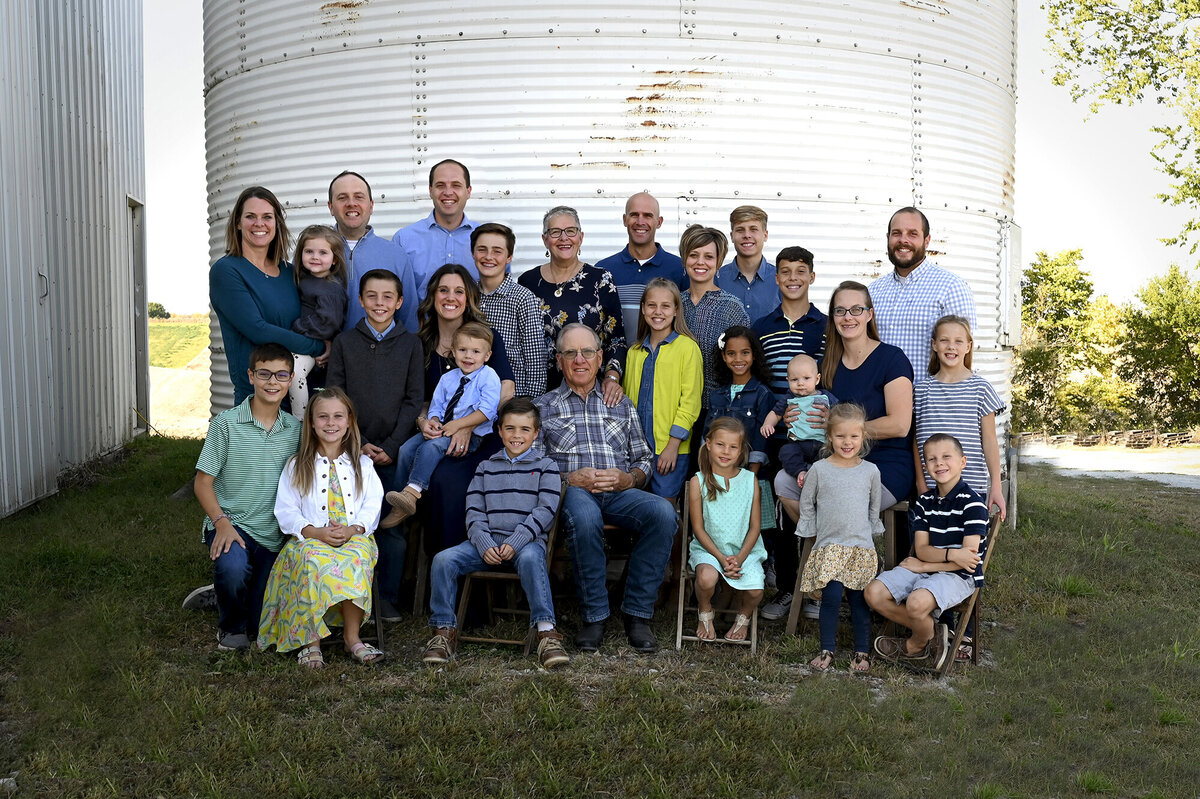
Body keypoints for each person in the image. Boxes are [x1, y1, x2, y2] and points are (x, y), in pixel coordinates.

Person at [535, 324, 677, 653]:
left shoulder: (621, 403)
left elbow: (644, 458)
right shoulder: (543, 407)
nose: (579, 360)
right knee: (584, 519)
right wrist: (570, 479)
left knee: (663, 513)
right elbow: (536, 467)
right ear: (559, 360)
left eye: (587, 352)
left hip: (619, 490)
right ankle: (594, 617)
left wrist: (629, 479)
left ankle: (637, 615)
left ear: (600, 359)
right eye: (571, 353)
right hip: (573, 491)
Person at [421, 398, 569, 670]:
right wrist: (484, 542)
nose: (517, 435)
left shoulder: (546, 467)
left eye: (525, 429)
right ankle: (443, 631)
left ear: (536, 433)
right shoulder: (486, 468)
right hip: (485, 544)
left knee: (529, 559)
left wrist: (516, 542)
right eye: (510, 428)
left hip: (526, 544)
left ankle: (547, 634)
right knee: (443, 559)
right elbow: (474, 511)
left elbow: (545, 511)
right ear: (499, 431)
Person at [259, 387, 385, 668]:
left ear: (349, 422)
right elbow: (286, 510)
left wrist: (353, 529)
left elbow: (372, 505)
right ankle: (310, 641)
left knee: (358, 556)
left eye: (338, 416)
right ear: (312, 423)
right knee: (310, 559)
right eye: (323, 417)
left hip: (353, 536)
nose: (331, 423)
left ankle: (352, 638)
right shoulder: (297, 465)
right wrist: (314, 532)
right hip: (311, 537)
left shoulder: (362, 464)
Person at [326, 269, 424, 619]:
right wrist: (361, 442)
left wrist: (393, 445)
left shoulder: (411, 343)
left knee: (389, 523)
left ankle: (385, 598)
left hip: (393, 453)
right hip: (352, 450)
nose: (379, 303)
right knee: (350, 519)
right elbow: (335, 396)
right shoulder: (345, 343)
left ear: (399, 302)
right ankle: (347, 594)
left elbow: (414, 400)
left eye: (387, 297)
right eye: (372, 296)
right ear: (360, 300)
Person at [193, 343, 302, 652]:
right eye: (264, 374)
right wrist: (221, 523)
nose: (272, 382)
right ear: (251, 376)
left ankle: (224, 592)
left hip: (272, 534)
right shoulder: (226, 425)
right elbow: (203, 482)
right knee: (234, 567)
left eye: (281, 375)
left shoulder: (295, 430)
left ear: (291, 379)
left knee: (260, 625)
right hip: (232, 523)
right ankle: (229, 625)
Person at [414, 264, 517, 552]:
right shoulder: (421, 344)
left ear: (469, 297)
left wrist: (467, 425)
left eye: (459, 291)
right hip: (440, 432)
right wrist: (425, 421)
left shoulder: (484, 337)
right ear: (432, 296)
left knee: (448, 480)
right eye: (443, 290)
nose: (451, 297)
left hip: (483, 436)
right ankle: (428, 561)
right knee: (417, 460)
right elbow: (421, 400)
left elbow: (506, 388)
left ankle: (457, 561)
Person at [867, 434, 989, 672]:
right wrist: (950, 555)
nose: (939, 463)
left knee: (916, 602)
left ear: (962, 462)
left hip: (959, 577)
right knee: (873, 593)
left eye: (946, 457)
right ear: (925, 466)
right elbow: (922, 549)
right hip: (928, 569)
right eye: (931, 459)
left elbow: (967, 562)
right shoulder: (924, 503)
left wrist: (926, 565)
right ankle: (934, 633)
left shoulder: (973, 504)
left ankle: (916, 644)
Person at [210, 186, 325, 404]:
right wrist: (319, 347)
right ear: (238, 223)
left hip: (299, 394)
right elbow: (258, 330)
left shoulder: (291, 272)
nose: (259, 224)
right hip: (257, 400)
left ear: (276, 223)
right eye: (250, 216)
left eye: (267, 217)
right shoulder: (227, 271)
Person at [796, 403, 884, 673]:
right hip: (830, 546)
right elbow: (807, 503)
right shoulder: (820, 470)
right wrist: (810, 529)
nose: (847, 442)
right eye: (841, 436)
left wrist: (871, 533)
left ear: (863, 437)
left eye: (854, 436)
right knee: (831, 597)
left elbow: (873, 507)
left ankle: (862, 651)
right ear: (830, 437)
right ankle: (826, 649)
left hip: (859, 547)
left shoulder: (870, 471)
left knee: (859, 600)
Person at [384, 322, 501, 523]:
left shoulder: (488, 376)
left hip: (471, 436)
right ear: (453, 352)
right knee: (405, 450)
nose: (468, 356)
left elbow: (487, 411)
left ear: (487, 356)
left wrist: (459, 425)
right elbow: (436, 407)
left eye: (475, 351)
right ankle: (398, 502)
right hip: (444, 429)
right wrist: (434, 421)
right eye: (462, 350)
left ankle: (412, 493)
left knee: (431, 448)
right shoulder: (448, 378)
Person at [821, 281, 914, 510]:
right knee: (785, 482)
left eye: (856, 310)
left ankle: (832, 543)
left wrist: (842, 430)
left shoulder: (892, 359)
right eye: (840, 310)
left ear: (869, 314)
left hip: (886, 465)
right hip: (840, 462)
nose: (847, 317)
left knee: (838, 505)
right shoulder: (826, 364)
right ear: (833, 317)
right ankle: (825, 543)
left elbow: (900, 425)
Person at [518, 206, 627, 400]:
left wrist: (612, 378)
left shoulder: (600, 279)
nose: (563, 238)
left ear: (581, 237)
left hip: (590, 391)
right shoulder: (528, 282)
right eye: (555, 232)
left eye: (570, 231)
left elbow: (616, 340)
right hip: (539, 391)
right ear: (545, 240)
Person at [914, 315, 1006, 519]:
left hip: (971, 486)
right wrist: (921, 485)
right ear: (934, 345)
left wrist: (996, 487)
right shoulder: (921, 390)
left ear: (968, 346)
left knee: (968, 548)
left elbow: (990, 441)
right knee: (927, 547)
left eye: (958, 341)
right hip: (931, 489)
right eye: (944, 340)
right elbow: (916, 440)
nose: (951, 347)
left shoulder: (980, 388)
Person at [868, 207, 977, 375]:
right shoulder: (872, 292)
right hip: (877, 399)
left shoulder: (951, 288)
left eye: (912, 234)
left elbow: (962, 358)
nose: (903, 240)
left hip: (928, 400)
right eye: (896, 233)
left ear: (927, 241)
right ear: (888, 238)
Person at [622, 279, 703, 502]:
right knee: (638, 511)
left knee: (666, 511)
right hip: (635, 450)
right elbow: (627, 403)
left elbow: (691, 402)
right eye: (651, 305)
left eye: (666, 306)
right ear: (643, 308)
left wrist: (673, 444)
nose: (658, 312)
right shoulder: (634, 352)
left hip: (670, 447)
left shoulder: (687, 348)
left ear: (676, 310)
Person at [686, 417, 766, 642]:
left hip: (744, 551)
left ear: (741, 451)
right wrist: (720, 558)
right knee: (706, 579)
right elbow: (698, 529)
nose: (726, 451)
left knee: (756, 591)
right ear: (709, 443)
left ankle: (743, 617)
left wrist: (739, 558)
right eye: (720, 444)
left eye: (733, 447)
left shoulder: (750, 481)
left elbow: (755, 527)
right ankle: (705, 611)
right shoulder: (698, 481)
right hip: (709, 550)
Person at [679, 224, 750, 436]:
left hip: (718, 411)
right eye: (694, 255)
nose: (700, 262)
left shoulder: (732, 308)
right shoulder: (674, 305)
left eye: (708, 257)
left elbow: (744, 365)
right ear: (684, 259)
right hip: (677, 409)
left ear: (718, 263)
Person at [327, 170, 419, 333]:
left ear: (371, 206)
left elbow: (408, 316)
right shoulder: (314, 253)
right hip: (324, 354)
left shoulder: (395, 255)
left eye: (358, 197)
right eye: (342, 198)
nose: (351, 203)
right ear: (331, 207)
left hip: (381, 355)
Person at [594, 192, 687, 337]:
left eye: (648, 216)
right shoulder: (603, 270)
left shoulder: (680, 269)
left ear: (659, 222)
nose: (640, 221)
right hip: (617, 359)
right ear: (625, 220)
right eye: (634, 215)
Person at [473, 222, 547, 398]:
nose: (489, 257)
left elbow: (535, 356)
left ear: (509, 257)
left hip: (512, 398)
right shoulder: (468, 296)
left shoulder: (522, 298)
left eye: (497, 251)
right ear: (473, 253)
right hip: (474, 397)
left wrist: (531, 402)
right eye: (482, 249)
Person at [761, 354, 838, 521]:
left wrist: (832, 418)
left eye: (806, 378)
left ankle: (821, 479)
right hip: (798, 444)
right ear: (788, 380)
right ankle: (800, 472)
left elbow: (840, 414)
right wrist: (768, 424)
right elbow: (776, 412)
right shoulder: (790, 399)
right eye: (794, 380)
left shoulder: (825, 397)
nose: (800, 383)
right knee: (786, 451)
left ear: (817, 379)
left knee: (831, 456)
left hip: (821, 444)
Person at [287, 224, 349, 419]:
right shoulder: (303, 280)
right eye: (309, 251)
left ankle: (300, 418)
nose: (315, 257)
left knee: (295, 372)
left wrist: (296, 328)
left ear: (334, 260)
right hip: (304, 342)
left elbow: (327, 323)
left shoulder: (330, 288)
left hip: (315, 345)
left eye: (323, 252)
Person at [394, 159, 477, 297]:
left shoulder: (486, 241)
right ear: (431, 191)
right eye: (440, 185)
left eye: (456, 185)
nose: (448, 192)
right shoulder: (404, 240)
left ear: (468, 191)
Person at [706, 326, 776, 472]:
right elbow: (707, 437)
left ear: (754, 355)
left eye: (745, 353)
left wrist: (750, 477)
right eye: (731, 353)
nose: (738, 359)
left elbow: (761, 440)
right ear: (724, 356)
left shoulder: (762, 394)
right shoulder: (716, 396)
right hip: (717, 473)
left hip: (749, 475)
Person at [715, 206, 777, 323]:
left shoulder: (780, 279)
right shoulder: (717, 278)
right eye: (740, 230)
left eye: (753, 229)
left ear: (765, 235)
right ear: (732, 236)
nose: (747, 235)